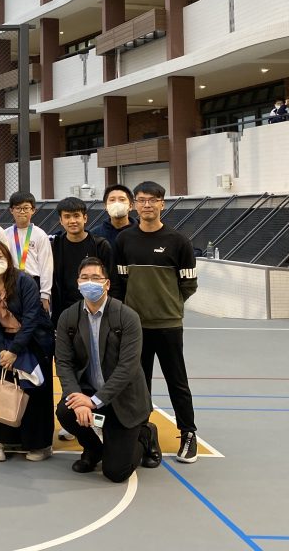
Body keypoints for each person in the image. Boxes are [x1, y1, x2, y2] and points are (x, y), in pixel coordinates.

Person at [112, 181, 199, 464]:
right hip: (136, 327)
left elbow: (189, 284)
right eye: (141, 200)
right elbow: (120, 282)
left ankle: (188, 433)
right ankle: (143, 434)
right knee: (139, 383)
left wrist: (169, 305)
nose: (147, 205)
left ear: (162, 203)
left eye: (152, 200)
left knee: (177, 381)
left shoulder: (179, 241)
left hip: (168, 325)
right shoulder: (124, 240)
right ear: (134, 205)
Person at [55, 257, 161, 481]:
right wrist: (78, 398)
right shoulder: (68, 317)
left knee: (116, 472)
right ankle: (93, 449)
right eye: (85, 278)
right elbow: (63, 362)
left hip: (123, 399)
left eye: (96, 278)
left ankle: (145, 434)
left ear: (107, 284)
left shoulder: (127, 317)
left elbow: (127, 368)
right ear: (78, 283)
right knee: (65, 411)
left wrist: (93, 402)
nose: (90, 282)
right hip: (89, 393)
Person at [0, 240, 55, 463]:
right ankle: (1, 441)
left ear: (8, 257)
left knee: (35, 392)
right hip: (5, 342)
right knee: (3, 389)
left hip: (33, 341)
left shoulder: (24, 281)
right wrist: (3, 350)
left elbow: (32, 317)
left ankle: (40, 444)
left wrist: (15, 350)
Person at [50, 197, 113, 323]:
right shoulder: (54, 246)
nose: (72, 221)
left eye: (76, 216)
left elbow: (112, 282)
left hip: (96, 310)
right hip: (64, 311)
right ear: (61, 221)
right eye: (67, 217)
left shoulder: (100, 245)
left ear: (85, 218)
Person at [4, 191, 53, 309]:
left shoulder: (40, 235)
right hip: (11, 282)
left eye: (26, 208)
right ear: (11, 210)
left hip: (33, 281)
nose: (22, 212)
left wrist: (45, 294)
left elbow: (46, 266)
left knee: (32, 314)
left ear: (33, 210)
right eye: (18, 208)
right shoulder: (5, 234)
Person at [93, 185, 139, 250]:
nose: (117, 203)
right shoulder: (95, 234)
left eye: (122, 199)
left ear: (131, 206)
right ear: (106, 206)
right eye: (112, 200)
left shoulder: (142, 231)